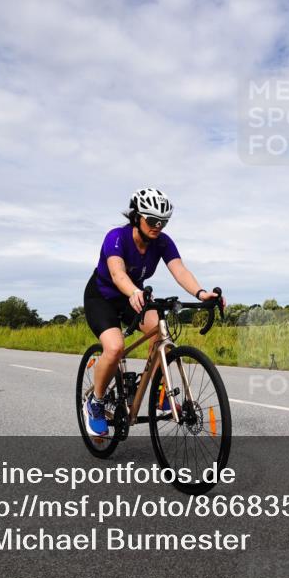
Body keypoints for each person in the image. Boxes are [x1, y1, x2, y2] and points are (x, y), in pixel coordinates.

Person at [81, 187, 223, 437]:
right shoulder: (116, 237)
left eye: (164, 222)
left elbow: (180, 271)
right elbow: (117, 273)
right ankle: (97, 402)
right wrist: (134, 291)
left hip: (134, 295)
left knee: (160, 332)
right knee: (114, 348)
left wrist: (201, 294)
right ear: (137, 217)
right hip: (102, 296)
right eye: (153, 220)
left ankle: (159, 395)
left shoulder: (162, 243)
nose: (158, 226)